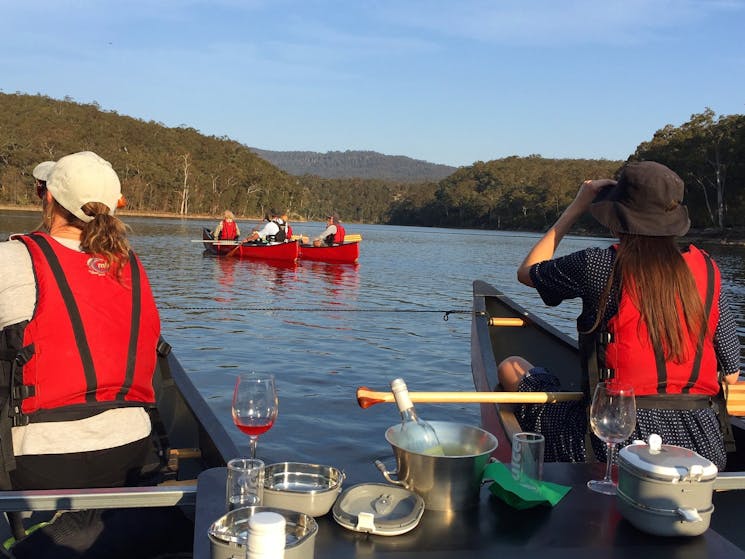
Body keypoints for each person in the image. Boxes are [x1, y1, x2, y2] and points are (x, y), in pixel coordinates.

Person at [498, 161, 741, 470]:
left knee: (511, 367)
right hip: (703, 449)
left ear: (616, 220)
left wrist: (577, 206)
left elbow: (527, 271)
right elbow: (731, 374)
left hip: (612, 441)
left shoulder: (598, 265)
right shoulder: (708, 268)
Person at [0, 151, 161, 492]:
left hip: (39, 461)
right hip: (132, 449)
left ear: (50, 198)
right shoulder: (131, 265)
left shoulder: (11, 259)